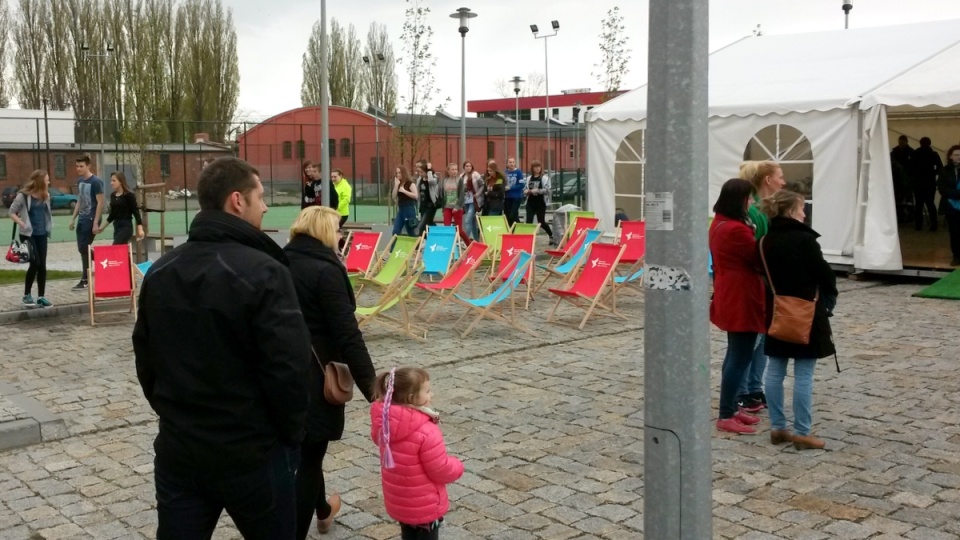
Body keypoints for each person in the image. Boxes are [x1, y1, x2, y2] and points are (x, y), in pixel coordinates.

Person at [133, 156, 311, 540]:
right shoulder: (265, 272)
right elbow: (289, 371)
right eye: (260, 197)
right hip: (252, 453)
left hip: (182, 449)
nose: (265, 206)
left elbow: (146, 362)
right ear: (237, 200)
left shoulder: (161, 272)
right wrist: (288, 439)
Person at [284, 206, 377, 539]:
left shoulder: (280, 261)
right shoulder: (325, 271)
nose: (341, 237)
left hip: (278, 371)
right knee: (309, 458)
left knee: (307, 449)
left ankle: (323, 510)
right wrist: (374, 391)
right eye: (338, 231)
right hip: (314, 376)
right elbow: (347, 335)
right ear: (324, 232)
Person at [759, 190, 838, 450]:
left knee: (774, 370)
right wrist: (829, 298)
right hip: (806, 310)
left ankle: (777, 426)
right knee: (803, 374)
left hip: (777, 310)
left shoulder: (764, 241)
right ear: (792, 211)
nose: (804, 213)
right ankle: (802, 431)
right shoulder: (804, 240)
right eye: (802, 209)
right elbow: (825, 274)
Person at [371, 367, 464, 540]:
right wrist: (457, 466)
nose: (431, 395)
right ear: (412, 398)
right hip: (424, 505)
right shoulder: (426, 431)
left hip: (400, 502)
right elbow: (439, 468)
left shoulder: (385, 424)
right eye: (427, 391)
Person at [709, 178, 766, 435]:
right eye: (749, 199)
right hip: (742, 295)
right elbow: (758, 258)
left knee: (735, 354)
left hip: (729, 291)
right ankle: (725, 413)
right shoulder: (736, 229)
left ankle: (731, 408)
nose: (752, 203)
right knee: (740, 356)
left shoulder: (719, 223)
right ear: (741, 200)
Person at [736, 160, 786, 413]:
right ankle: (744, 390)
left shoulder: (761, 209)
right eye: (780, 176)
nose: (783, 181)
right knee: (754, 340)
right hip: (758, 283)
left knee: (762, 339)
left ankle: (753, 388)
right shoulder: (755, 211)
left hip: (764, 282)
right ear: (767, 180)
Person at [8, 170, 53, 307]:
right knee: (35, 262)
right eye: (46, 180)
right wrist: (22, 223)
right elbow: (11, 212)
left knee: (42, 265)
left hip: (42, 234)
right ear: (40, 181)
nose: (48, 182)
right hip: (27, 234)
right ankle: (27, 295)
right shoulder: (23, 196)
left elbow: (46, 214)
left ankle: (41, 296)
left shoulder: (46, 195)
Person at [67, 155, 104, 290]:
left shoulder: (96, 182)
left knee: (84, 248)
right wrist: (73, 218)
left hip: (91, 218)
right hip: (82, 218)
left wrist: (95, 222)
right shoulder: (80, 181)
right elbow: (80, 200)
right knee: (82, 249)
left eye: (81, 166)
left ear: (88, 166)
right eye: (77, 166)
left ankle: (85, 279)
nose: (79, 169)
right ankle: (101, 260)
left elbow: (100, 202)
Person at [104, 172, 145, 245]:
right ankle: (128, 256)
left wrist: (140, 229)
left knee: (115, 247)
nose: (111, 183)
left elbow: (136, 212)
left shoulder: (129, 195)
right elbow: (112, 215)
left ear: (120, 181)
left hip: (126, 226)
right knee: (121, 251)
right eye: (111, 181)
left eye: (114, 181)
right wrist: (102, 228)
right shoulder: (113, 196)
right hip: (116, 226)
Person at [912, 137, 943, 231]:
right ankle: (934, 225)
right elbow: (940, 167)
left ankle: (918, 225)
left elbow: (911, 167)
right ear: (930, 143)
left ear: (920, 143)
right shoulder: (933, 154)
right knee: (930, 204)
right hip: (930, 182)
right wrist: (933, 173)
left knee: (919, 204)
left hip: (918, 182)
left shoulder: (916, 153)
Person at [937, 145, 960, 266]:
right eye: (956, 155)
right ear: (950, 156)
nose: (958, 157)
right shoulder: (944, 170)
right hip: (951, 206)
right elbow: (941, 188)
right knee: (954, 232)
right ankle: (956, 256)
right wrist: (956, 194)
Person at [523, 160, 553, 241]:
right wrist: (525, 191)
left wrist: (536, 191)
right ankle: (528, 239)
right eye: (535, 167)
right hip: (530, 202)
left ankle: (551, 235)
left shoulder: (544, 178)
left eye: (538, 167)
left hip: (540, 202)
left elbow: (547, 190)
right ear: (532, 168)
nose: (537, 169)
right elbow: (525, 188)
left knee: (541, 222)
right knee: (529, 221)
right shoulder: (529, 178)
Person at [440, 163, 470, 245]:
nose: (454, 171)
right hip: (447, 207)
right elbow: (443, 195)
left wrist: (457, 206)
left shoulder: (459, 180)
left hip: (457, 208)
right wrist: (443, 209)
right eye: (452, 169)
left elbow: (461, 195)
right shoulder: (445, 180)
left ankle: (469, 243)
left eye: (456, 169)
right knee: (447, 228)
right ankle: (448, 246)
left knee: (459, 230)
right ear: (448, 171)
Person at [890, 135, 915, 223]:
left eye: (902, 142)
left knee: (908, 199)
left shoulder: (911, 152)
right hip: (897, 180)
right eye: (900, 142)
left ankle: (910, 215)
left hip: (907, 179)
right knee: (899, 199)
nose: (901, 144)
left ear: (906, 142)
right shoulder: (894, 152)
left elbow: (914, 167)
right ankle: (900, 216)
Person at [458, 160, 484, 241]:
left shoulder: (475, 174)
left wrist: (478, 194)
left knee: (467, 220)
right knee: (472, 221)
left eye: (470, 166)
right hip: (465, 200)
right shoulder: (461, 176)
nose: (468, 167)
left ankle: (465, 240)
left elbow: (482, 185)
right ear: (464, 167)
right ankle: (476, 240)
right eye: (466, 166)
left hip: (474, 200)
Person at [392, 165, 419, 237]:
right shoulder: (398, 183)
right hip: (401, 210)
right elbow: (393, 196)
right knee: (395, 231)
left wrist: (404, 191)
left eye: (399, 173)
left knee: (410, 231)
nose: (398, 175)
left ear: (403, 173)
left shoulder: (410, 183)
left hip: (409, 209)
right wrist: (396, 185)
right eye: (397, 173)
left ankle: (417, 246)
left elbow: (416, 196)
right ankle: (392, 248)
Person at [415, 160, 441, 235]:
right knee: (428, 223)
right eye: (419, 172)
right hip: (423, 204)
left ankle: (420, 239)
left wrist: (429, 170)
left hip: (431, 205)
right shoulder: (420, 180)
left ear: (427, 171)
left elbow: (431, 181)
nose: (420, 174)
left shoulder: (434, 178)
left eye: (422, 172)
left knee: (422, 225)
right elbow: (418, 191)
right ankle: (437, 233)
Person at [504, 157, 525, 227]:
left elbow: (521, 185)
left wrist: (510, 187)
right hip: (507, 197)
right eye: (510, 162)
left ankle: (518, 229)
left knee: (513, 214)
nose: (512, 164)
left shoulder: (518, 172)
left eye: (513, 162)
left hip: (516, 197)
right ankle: (511, 231)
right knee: (507, 214)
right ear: (507, 164)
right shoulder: (505, 172)